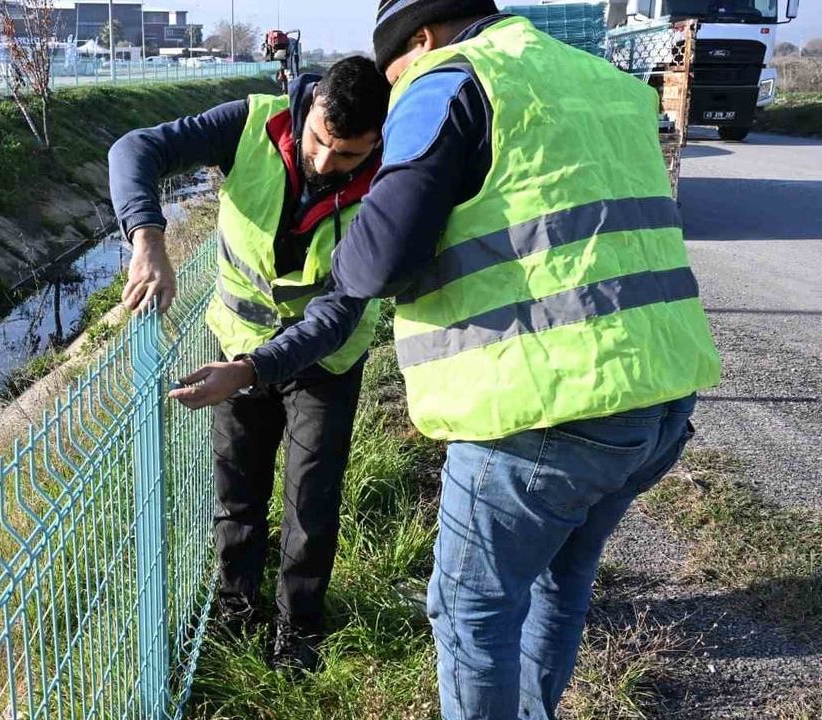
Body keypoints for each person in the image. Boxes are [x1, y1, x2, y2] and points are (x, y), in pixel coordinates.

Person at [168, 2, 722, 717]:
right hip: (662, 396)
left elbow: (374, 266)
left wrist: (364, 216)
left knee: (473, 615)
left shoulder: (449, 79)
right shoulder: (601, 79)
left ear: (420, 40)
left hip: (544, 411)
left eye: (394, 75)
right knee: (559, 584)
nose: (393, 92)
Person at [108, 56, 391, 673]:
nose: (323, 164)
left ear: (377, 140)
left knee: (310, 503)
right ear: (308, 104)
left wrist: (249, 370)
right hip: (236, 342)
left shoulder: (394, 182)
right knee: (235, 490)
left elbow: (337, 314)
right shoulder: (252, 125)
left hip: (324, 362)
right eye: (319, 141)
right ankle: (235, 608)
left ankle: (299, 630)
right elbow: (134, 148)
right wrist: (148, 238)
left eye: (346, 157)